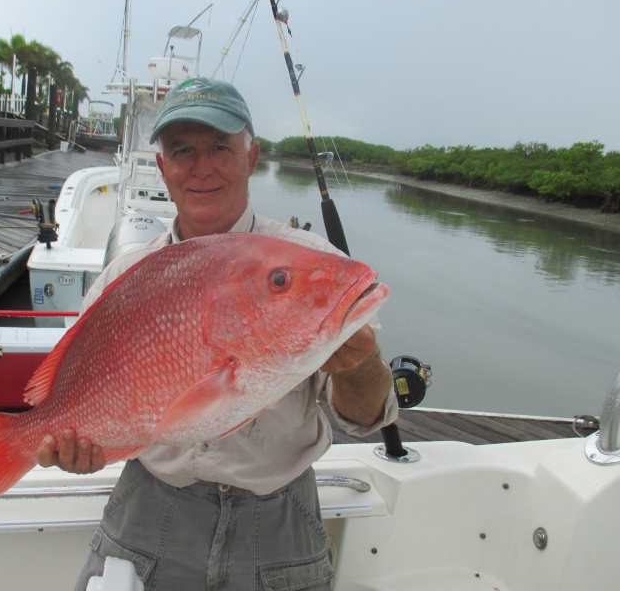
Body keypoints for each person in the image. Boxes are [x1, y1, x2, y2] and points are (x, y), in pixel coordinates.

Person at [36, 77, 397, 590]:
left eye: (221, 147)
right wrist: (73, 445)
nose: (201, 167)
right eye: (182, 151)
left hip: (279, 522)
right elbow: (77, 398)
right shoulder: (125, 276)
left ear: (251, 157)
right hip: (149, 508)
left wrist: (362, 363)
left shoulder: (311, 270)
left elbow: (365, 418)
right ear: (162, 168)